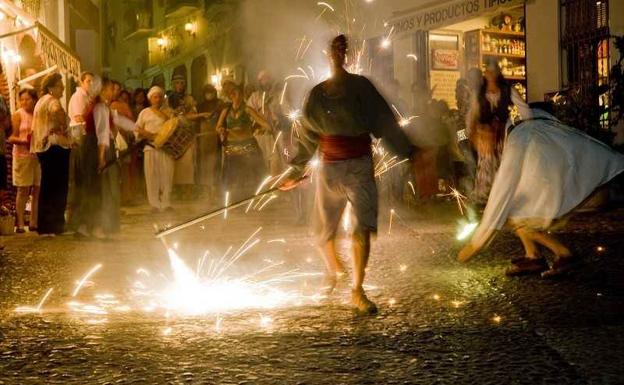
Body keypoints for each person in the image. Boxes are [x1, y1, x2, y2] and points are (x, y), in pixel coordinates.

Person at [281, 35, 413, 314]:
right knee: (321, 232)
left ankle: (357, 289)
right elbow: (307, 136)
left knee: (362, 227)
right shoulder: (317, 94)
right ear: (328, 56)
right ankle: (335, 270)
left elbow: (385, 124)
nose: (338, 55)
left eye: (342, 51)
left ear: (348, 55)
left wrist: (410, 152)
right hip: (330, 168)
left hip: (359, 166)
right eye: (334, 51)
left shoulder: (362, 87)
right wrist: (295, 169)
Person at [458, 108, 624, 277]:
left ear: (494, 127)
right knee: (517, 209)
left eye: (482, 139)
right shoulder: (521, 126)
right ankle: (533, 256)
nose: (482, 147)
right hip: (586, 175)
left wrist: (475, 245)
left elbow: (502, 193)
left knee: (518, 216)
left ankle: (565, 255)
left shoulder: (517, 142)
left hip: (592, 182)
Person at [468, 61, 531, 204]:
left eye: (492, 71)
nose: (490, 75)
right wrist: (470, 133)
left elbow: (524, 109)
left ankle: (502, 194)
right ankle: (484, 195)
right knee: (483, 163)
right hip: (484, 134)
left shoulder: (507, 90)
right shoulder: (478, 92)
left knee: (502, 161)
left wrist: (529, 125)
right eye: (487, 72)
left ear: (497, 73)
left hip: (502, 132)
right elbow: (472, 114)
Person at [30, 73, 72, 236]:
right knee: (58, 187)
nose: (62, 88)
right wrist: (63, 124)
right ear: (51, 88)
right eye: (60, 86)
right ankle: (56, 225)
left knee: (47, 186)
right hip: (55, 146)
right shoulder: (53, 102)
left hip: (43, 147)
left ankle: (46, 226)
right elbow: (58, 115)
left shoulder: (40, 101)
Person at [92, 78, 135, 237]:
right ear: (102, 90)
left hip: (106, 147)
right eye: (110, 89)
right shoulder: (99, 107)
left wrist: (139, 129)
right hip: (103, 149)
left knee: (110, 189)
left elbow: (119, 121)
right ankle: (103, 226)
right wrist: (102, 157)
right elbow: (102, 134)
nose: (113, 92)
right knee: (106, 189)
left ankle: (108, 225)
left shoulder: (105, 107)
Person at [216, 84, 270, 201]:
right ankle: (233, 198)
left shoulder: (247, 109)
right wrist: (221, 130)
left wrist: (265, 127)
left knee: (254, 170)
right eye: (234, 94)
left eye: (239, 94)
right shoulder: (226, 110)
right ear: (230, 96)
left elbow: (263, 122)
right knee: (232, 173)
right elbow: (218, 126)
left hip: (248, 144)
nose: (237, 96)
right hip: (231, 146)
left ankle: (258, 195)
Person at [135, 86, 175, 212]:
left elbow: (174, 126)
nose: (157, 99)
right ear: (150, 99)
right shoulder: (144, 112)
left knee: (167, 175)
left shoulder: (168, 112)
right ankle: (154, 204)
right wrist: (147, 134)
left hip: (166, 148)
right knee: (152, 176)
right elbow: (136, 128)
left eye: (159, 97)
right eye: (155, 97)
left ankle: (166, 202)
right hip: (150, 147)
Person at [8, 89, 40, 233]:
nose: (25, 102)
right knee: (23, 189)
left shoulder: (38, 114)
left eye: (28, 99)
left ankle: (34, 221)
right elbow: (11, 137)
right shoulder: (18, 115)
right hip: (22, 156)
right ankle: (20, 222)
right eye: (22, 99)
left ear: (34, 100)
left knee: (37, 188)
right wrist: (23, 141)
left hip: (37, 156)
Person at [247, 70, 285, 175]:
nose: (266, 81)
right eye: (263, 79)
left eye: (268, 78)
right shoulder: (255, 96)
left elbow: (285, 112)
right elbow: (249, 110)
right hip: (261, 135)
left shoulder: (278, 95)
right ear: (260, 82)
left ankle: (277, 187)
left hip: (276, 133)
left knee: (277, 161)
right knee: (263, 163)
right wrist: (263, 124)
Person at [195, 84, 224, 200]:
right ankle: (206, 191)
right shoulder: (200, 106)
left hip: (216, 137)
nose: (209, 95)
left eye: (211, 92)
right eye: (207, 92)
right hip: (203, 138)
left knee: (215, 164)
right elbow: (194, 120)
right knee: (204, 165)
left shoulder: (220, 104)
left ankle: (214, 190)